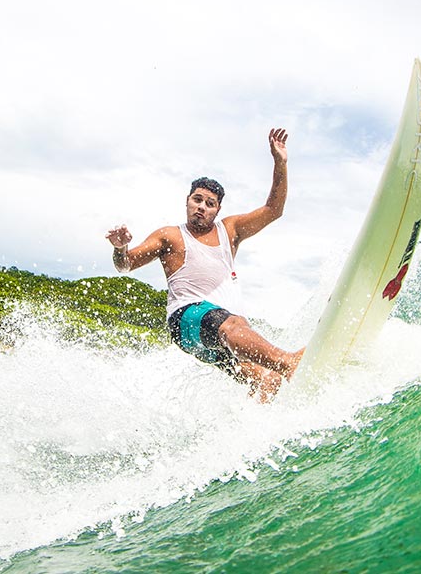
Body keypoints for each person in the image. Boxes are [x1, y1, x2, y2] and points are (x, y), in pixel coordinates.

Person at [106, 128, 304, 401]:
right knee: (236, 329)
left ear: (217, 209)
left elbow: (273, 210)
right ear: (187, 201)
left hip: (220, 335)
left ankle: (255, 432)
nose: (201, 207)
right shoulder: (170, 236)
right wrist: (120, 248)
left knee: (264, 380)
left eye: (209, 203)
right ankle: (288, 362)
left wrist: (280, 162)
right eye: (197, 200)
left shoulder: (230, 230)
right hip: (187, 319)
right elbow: (125, 265)